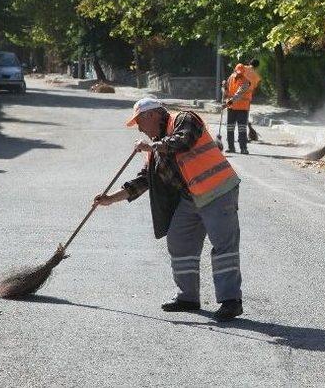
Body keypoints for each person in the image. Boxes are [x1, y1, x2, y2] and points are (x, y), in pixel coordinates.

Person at [93, 97, 244, 321]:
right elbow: (145, 180)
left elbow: (182, 141)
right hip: (190, 197)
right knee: (178, 240)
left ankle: (231, 301)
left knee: (223, 245)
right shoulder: (154, 146)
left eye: (139, 123)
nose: (140, 129)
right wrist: (110, 199)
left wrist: (152, 146)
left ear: (151, 115)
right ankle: (188, 298)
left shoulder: (184, 119)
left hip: (217, 190)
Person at [223, 64, 253, 154]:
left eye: (241, 73)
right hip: (232, 108)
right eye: (238, 73)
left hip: (242, 109)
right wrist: (224, 87)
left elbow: (239, 94)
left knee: (242, 129)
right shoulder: (231, 78)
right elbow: (227, 91)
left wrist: (228, 102)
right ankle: (231, 147)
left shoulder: (246, 81)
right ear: (235, 71)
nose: (239, 74)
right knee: (230, 128)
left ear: (243, 72)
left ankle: (243, 148)